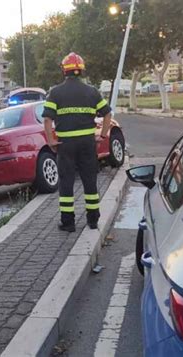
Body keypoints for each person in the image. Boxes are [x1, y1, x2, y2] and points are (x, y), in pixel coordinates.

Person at [42, 52, 112, 232]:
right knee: (90, 180)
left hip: (65, 144)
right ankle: (93, 219)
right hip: (88, 143)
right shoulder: (92, 91)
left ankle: (68, 222)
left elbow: (47, 120)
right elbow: (107, 114)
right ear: (81, 70)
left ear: (64, 71)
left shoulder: (55, 92)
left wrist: (51, 141)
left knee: (66, 182)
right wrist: (102, 136)